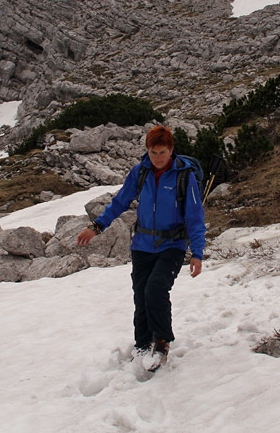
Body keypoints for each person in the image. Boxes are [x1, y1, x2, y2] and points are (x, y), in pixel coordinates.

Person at [77, 125, 205, 369]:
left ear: (171, 150)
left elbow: (196, 217)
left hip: (172, 245)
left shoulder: (184, 176)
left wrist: (197, 253)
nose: (157, 158)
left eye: (162, 152)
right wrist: (96, 227)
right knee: (141, 295)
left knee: (155, 290)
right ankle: (142, 342)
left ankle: (161, 342)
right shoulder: (140, 172)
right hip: (143, 245)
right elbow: (120, 202)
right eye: (153, 152)